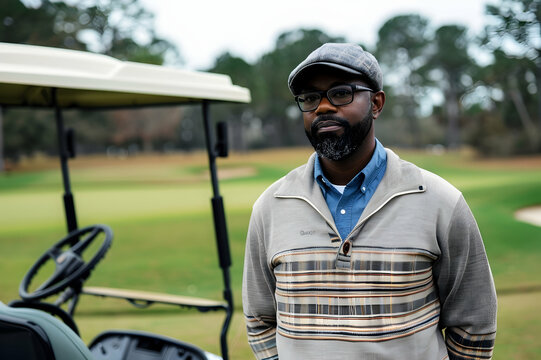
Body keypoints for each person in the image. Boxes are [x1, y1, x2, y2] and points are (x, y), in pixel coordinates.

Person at [242, 43, 497, 360]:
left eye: (341, 93)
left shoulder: (439, 201)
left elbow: (474, 323)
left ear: (376, 103)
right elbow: (260, 319)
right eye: (309, 98)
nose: (322, 107)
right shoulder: (271, 206)